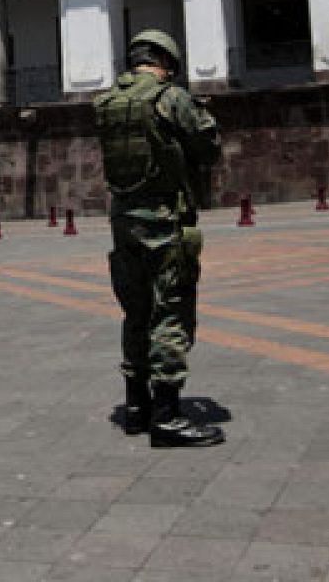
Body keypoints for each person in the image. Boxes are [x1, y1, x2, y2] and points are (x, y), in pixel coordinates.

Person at [94, 28, 225, 448]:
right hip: (164, 221)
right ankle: (167, 415)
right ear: (166, 61)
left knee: (135, 312)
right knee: (169, 311)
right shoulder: (170, 98)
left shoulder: (107, 102)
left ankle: (137, 407)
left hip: (123, 222)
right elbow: (207, 147)